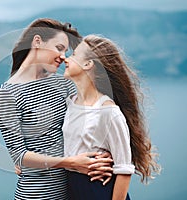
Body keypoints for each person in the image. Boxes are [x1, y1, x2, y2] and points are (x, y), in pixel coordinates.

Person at [0, 19, 113, 200]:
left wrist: (107, 153)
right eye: (59, 47)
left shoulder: (64, 83)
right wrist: (71, 162)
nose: (63, 56)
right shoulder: (7, 93)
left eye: (66, 51)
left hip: (77, 191)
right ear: (37, 42)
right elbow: (19, 155)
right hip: (36, 195)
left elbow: (88, 123)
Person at [63, 34, 161, 199]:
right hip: (73, 190)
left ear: (88, 64)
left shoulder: (108, 112)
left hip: (99, 190)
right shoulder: (71, 102)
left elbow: (124, 169)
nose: (66, 59)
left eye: (73, 55)